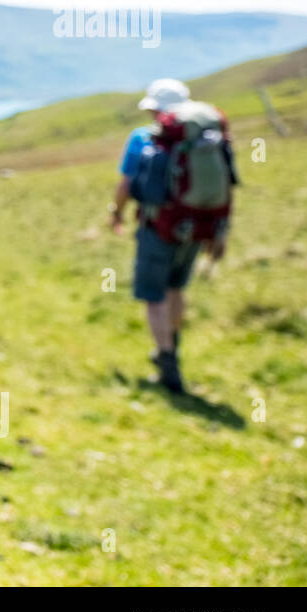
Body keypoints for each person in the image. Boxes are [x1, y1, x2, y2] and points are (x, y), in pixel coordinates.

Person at [109, 78, 232, 393]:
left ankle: (166, 361)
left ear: (155, 109)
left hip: (158, 225)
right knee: (176, 288)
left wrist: (116, 212)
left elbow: (126, 184)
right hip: (197, 226)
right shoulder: (209, 135)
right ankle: (172, 349)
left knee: (154, 295)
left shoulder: (144, 138)